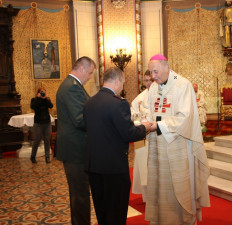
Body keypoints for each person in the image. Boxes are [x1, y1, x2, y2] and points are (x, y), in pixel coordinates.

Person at [143, 54, 210, 225]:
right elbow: (148, 110)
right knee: (160, 185)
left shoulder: (182, 85)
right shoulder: (153, 88)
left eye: (155, 71)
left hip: (177, 146)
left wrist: (156, 125)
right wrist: (146, 120)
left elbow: (184, 118)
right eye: (151, 72)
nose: (153, 76)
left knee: (177, 187)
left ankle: (182, 220)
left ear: (166, 67)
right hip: (157, 146)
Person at [83, 67, 152, 225]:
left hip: (94, 166)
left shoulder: (90, 102)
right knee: (116, 211)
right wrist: (144, 128)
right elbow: (128, 134)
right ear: (116, 80)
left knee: (102, 209)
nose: (122, 87)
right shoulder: (118, 104)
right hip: (113, 168)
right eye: (122, 83)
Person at [56, 56, 96, 225]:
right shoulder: (71, 87)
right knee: (80, 194)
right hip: (75, 148)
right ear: (81, 69)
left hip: (77, 147)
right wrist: (102, 124)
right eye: (90, 73)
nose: (90, 77)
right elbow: (80, 119)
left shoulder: (73, 86)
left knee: (79, 192)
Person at [131, 70, 153, 201]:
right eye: (146, 80)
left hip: (158, 136)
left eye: (151, 80)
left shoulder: (164, 96)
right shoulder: (139, 98)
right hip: (143, 137)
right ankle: (147, 197)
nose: (149, 83)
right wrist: (140, 121)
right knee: (144, 168)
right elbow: (132, 114)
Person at [30, 87, 53, 164]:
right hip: (38, 123)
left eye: (44, 92)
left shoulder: (47, 99)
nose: (43, 93)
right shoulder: (34, 100)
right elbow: (32, 107)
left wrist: (45, 98)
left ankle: (47, 157)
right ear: (38, 93)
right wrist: (38, 98)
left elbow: (51, 106)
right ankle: (33, 156)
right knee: (37, 140)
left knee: (47, 140)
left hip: (47, 123)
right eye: (41, 92)